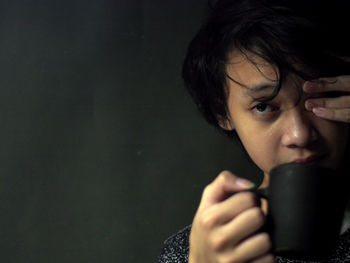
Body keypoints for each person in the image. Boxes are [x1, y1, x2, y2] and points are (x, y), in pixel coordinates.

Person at [158, 0, 350, 262]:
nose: (300, 135)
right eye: (263, 106)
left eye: (325, 96)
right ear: (222, 114)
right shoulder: (196, 251)